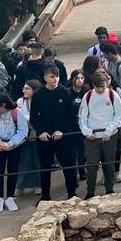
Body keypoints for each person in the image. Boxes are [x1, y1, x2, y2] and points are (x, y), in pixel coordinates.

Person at [30, 66, 79, 202]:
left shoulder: (65, 93)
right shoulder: (38, 95)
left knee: (68, 166)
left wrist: (61, 130)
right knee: (45, 168)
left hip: (62, 137)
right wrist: (41, 131)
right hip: (44, 138)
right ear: (45, 78)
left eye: (57, 76)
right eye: (52, 76)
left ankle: (71, 193)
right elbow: (33, 116)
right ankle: (45, 195)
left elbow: (70, 115)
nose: (55, 79)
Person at [79, 69, 121, 198]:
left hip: (109, 135)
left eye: (102, 87)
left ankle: (109, 189)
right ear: (93, 85)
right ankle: (90, 191)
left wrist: (109, 131)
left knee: (109, 164)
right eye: (98, 87)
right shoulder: (87, 96)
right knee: (92, 165)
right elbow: (82, 117)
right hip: (92, 136)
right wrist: (87, 132)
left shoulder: (113, 95)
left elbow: (119, 116)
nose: (100, 90)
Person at [0, 91, 29, 213]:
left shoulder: (17, 113)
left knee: (13, 170)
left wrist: (10, 143)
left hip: (14, 146)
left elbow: (22, 130)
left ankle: (10, 197)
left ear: (2, 105)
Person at [15, 80, 43, 196]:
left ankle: (38, 184)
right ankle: (20, 186)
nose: (24, 90)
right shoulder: (20, 102)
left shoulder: (41, 101)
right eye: (24, 88)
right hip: (24, 135)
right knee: (24, 161)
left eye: (27, 88)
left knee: (37, 160)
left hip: (37, 134)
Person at [69, 69, 90, 180]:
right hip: (72, 125)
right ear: (73, 79)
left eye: (82, 78)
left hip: (84, 124)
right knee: (73, 150)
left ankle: (82, 170)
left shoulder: (87, 91)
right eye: (77, 78)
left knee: (82, 150)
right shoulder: (68, 92)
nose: (80, 80)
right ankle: (73, 172)